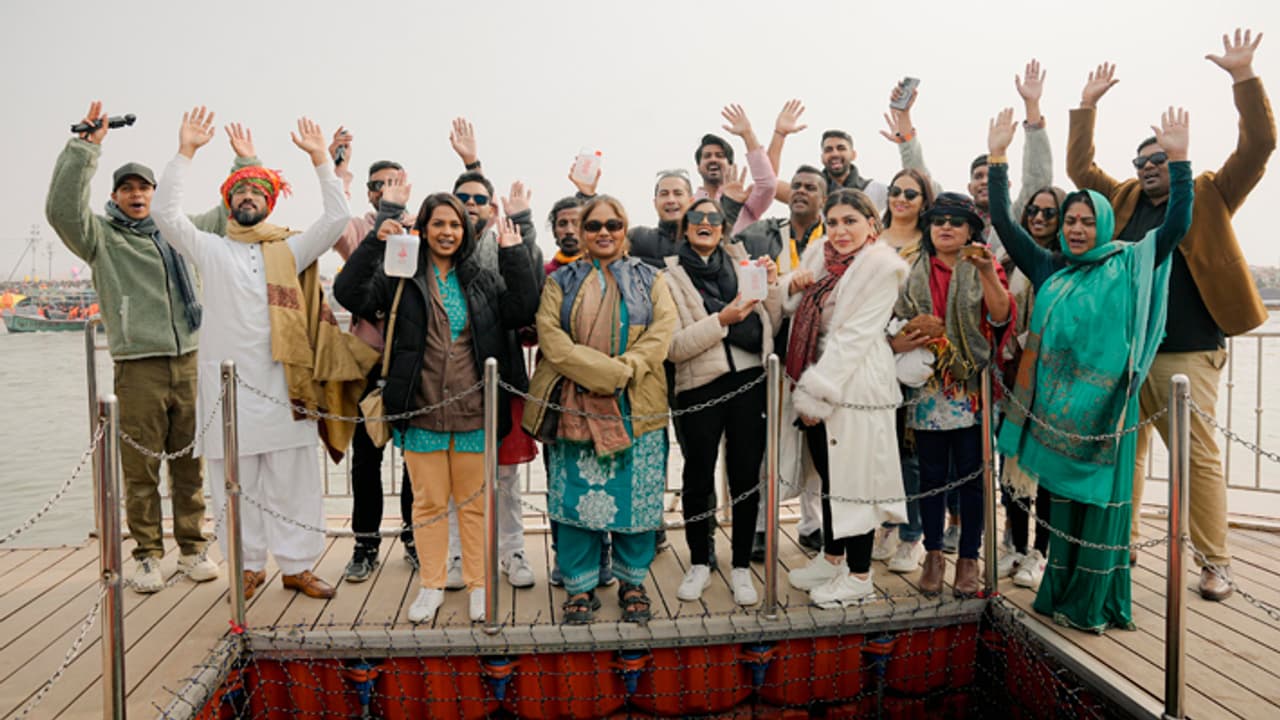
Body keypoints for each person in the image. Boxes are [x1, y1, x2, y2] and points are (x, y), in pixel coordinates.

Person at [1068, 32, 1275, 602]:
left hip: (1189, 349)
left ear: (1178, 159)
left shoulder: (1210, 192)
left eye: (1159, 159)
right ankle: (1126, 541)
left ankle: (1215, 562)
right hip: (1129, 352)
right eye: (1141, 161)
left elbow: (1260, 145)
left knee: (1197, 456)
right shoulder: (1124, 198)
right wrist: (1086, 105)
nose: (1148, 167)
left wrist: (1243, 77)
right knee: (1126, 454)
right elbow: (1080, 167)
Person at [152, 108, 377, 601]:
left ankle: (298, 567)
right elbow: (165, 215)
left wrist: (320, 160)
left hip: (284, 386)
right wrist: (186, 152)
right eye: (240, 192)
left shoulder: (290, 250)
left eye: (257, 191)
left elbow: (336, 218)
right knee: (235, 486)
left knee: (294, 483)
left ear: (270, 202)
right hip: (227, 391)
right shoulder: (210, 249)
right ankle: (248, 566)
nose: (248, 196)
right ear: (229, 203)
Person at [994, 106, 1193, 633]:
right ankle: (1058, 593)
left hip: (1108, 415)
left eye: (1086, 221)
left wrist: (1180, 162)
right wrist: (997, 160)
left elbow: (1176, 224)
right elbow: (1004, 224)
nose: (1077, 229)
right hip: (1059, 419)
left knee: (1101, 510)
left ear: (1102, 224)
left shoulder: (1128, 263)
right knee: (1062, 509)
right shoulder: (1048, 266)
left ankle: (1092, 602)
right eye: (1071, 221)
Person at [45, 101, 257, 592]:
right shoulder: (100, 238)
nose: (137, 194)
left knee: (189, 462)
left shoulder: (178, 232)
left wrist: (245, 162)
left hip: (190, 359)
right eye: (128, 189)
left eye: (144, 188)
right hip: (138, 365)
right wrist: (84, 149)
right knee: (140, 467)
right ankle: (146, 555)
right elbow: (61, 210)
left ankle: (192, 547)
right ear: (115, 197)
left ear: (156, 195)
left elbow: (231, 213)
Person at [334, 191, 540, 623]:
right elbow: (349, 293)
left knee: (474, 504)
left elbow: (521, 309)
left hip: (474, 411)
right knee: (428, 505)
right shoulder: (401, 274)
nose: (447, 232)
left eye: (455, 225)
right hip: (421, 409)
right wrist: (374, 241)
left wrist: (513, 253)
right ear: (424, 229)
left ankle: (479, 586)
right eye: (438, 224)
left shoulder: (481, 278)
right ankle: (431, 585)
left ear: (465, 231)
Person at [523, 196, 677, 625]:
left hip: (637, 404)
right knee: (576, 501)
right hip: (575, 404)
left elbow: (662, 333)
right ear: (582, 232)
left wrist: (625, 370)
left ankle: (633, 583)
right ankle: (579, 587)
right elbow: (551, 339)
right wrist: (605, 374)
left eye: (613, 224)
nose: (604, 232)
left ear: (625, 229)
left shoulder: (651, 279)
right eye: (594, 226)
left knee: (637, 501)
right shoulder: (561, 281)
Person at [782, 189, 909, 607]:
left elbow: (853, 337)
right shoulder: (820, 258)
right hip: (815, 375)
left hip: (855, 385)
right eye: (833, 222)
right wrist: (791, 285)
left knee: (855, 482)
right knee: (830, 477)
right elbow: (797, 308)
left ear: (872, 224)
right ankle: (832, 557)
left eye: (850, 221)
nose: (840, 231)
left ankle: (859, 577)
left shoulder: (882, 268)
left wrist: (815, 396)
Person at [891, 192, 1013, 598]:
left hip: (971, 384)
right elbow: (892, 323)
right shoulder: (909, 267)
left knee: (972, 477)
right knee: (930, 476)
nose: (945, 226)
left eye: (956, 221)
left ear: (971, 231)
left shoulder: (984, 264)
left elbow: (1000, 316)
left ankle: (968, 559)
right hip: (926, 383)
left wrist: (987, 273)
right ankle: (932, 555)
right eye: (938, 220)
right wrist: (907, 335)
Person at [665, 198, 781, 605]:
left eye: (714, 218)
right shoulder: (668, 277)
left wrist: (772, 285)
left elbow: (771, 323)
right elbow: (674, 347)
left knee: (746, 475)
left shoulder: (742, 263)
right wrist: (723, 320)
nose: (706, 222)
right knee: (698, 475)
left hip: (750, 381)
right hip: (699, 385)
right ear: (685, 226)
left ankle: (741, 566)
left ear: (722, 227)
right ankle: (700, 560)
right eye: (696, 217)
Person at [331, 145, 419, 583]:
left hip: (411, 360)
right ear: (368, 192)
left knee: (415, 458)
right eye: (377, 185)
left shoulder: (422, 227)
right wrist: (339, 172)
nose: (385, 190)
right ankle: (364, 544)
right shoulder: (357, 229)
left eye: (393, 182)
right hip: (367, 361)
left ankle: (415, 538)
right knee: (366, 458)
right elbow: (331, 221)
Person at [732, 165, 828, 555]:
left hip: (819, 353)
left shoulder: (834, 238)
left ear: (824, 197)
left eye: (811, 187)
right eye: (797, 185)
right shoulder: (763, 234)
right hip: (773, 353)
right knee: (767, 443)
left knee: (816, 443)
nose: (801, 191)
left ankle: (812, 524)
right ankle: (760, 524)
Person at [995, 179, 1066, 591]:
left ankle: (1041, 552)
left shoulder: (1063, 263)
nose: (1038, 218)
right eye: (1033, 211)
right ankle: (1017, 546)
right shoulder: (1008, 260)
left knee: (1047, 473)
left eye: (1048, 212)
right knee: (1011, 467)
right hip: (1010, 377)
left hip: (1049, 379)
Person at [868, 168, 934, 575]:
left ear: (924, 201)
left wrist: (904, 338)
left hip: (912, 357)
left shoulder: (928, 245)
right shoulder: (871, 239)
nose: (902, 199)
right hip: (871, 353)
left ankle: (912, 535)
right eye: (896, 191)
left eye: (912, 193)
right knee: (879, 450)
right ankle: (887, 524)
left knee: (910, 453)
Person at [695, 105, 778, 235]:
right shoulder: (689, 205)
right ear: (698, 167)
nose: (713, 159)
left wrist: (748, 135)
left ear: (730, 166)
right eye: (707, 156)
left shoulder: (745, 201)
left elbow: (768, 185)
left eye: (720, 155)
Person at [628, 170, 694, 267]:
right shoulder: (637, 239)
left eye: (678, 193)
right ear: (655, 203)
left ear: (691, 201)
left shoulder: (702, 242)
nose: (671, 200)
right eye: (664, 194)